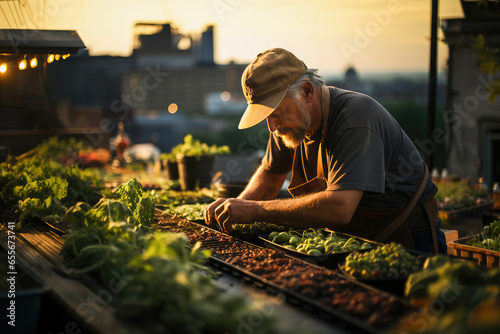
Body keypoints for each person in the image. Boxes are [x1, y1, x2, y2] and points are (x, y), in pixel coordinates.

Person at [204, 48, 447, 254]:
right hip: (351, 241)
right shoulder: (289, 122)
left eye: (276, 114)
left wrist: (255, 211)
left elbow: (339, 208)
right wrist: (234, 209)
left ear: (307, 91)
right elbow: (270, 173)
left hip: (406, 237)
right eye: (267, 117)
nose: (272, 127)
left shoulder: (356, 119)